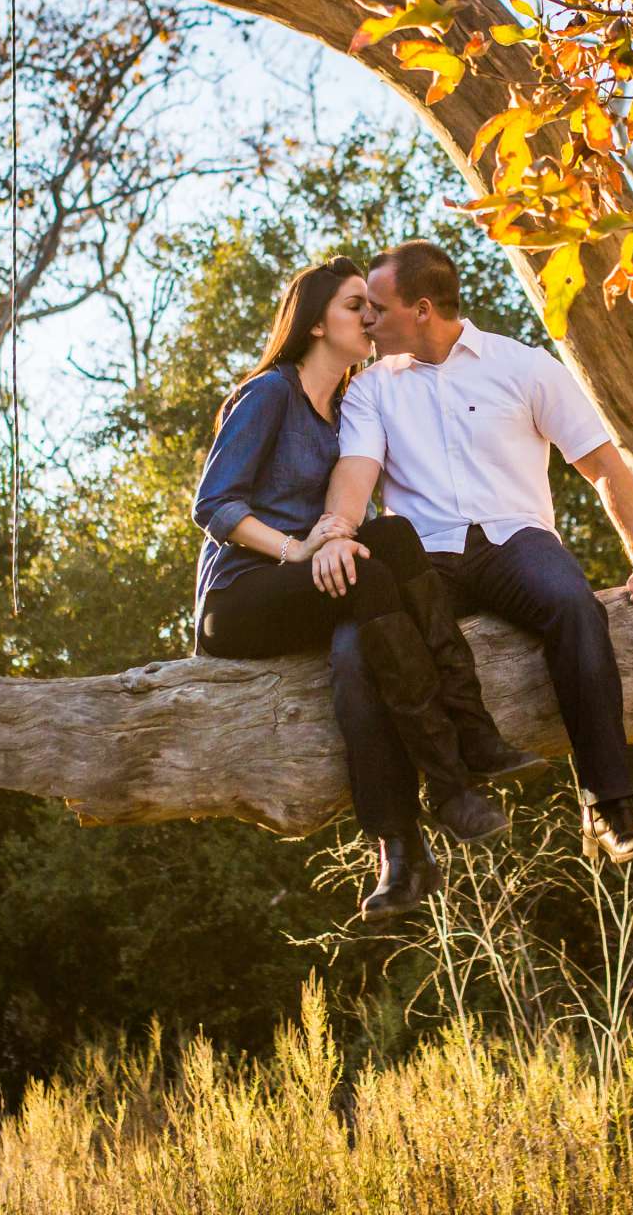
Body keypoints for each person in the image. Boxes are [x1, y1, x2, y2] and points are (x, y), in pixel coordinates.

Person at [311, 239, 633, 865]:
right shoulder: (371, 390)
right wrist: (337, 533)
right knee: (355, 652)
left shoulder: (524, 366)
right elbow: (356, 472)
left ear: (424, 309)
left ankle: (608, 809)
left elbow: (604, 466)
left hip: (517, 543)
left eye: (379, 308)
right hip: (424, 557)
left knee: (575, 606)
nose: (369, 322)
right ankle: (400, 852)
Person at [190, 256, 543, 921]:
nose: (371, 317)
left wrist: (334, 544)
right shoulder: (270, 393)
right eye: (357, 305)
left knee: (380, 586)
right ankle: (452, 774)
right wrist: (300, 550)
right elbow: (214, 506)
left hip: (323, 590)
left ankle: (406, 848)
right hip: (240, 602)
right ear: (317, 321)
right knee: (373, 573)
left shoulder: (345, 413)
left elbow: (351, 527)